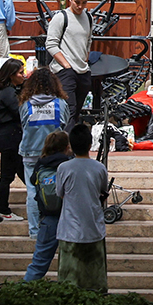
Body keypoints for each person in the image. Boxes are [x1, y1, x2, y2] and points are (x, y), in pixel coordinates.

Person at [16, 65, 72, 238]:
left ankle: (34, 231)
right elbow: (65, 122)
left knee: (32, 191)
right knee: (59, 190)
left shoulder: (26, 104)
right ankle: (59, 228)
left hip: (31, 152)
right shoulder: (60, 103)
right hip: (56, 154)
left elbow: (23, 123)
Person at [55, 123, 110, 292]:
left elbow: (59, 193)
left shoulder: (63, 168)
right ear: (89, 144)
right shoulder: (99, 168)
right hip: (94, 228)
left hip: (69, 229)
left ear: (70, 145)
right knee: (95, 281)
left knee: (69, 283)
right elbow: (102, 190)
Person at [22, 130, 75, 281]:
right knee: (73, 262)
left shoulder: (41, 164)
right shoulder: (68, 163)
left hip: (48, 219)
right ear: (66, 146)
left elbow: (33, 181)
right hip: (70, 218)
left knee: (39, 262)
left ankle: (24, 291)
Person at [45, 0, 96, 115]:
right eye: (77, 2)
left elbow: (89, 40)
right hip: (65, 71)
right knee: (69, 109)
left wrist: (85, 59)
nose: (80, 6)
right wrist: (66, 65)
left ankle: (69, 135)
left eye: (84, 3)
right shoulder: (61, 17)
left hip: (83, 70)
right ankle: (64, 135)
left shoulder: (89, 18)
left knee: (77, 110)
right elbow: (50, 44)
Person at [0, 57, 26, 219]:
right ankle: (3, 209)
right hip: (10, 138)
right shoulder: (8, 93)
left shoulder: (9, 91)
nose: (23, 75)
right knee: (7, 175)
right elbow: (20, 112)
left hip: (11, 137)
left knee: (22, 173)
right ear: (11, 75)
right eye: (20, 73)